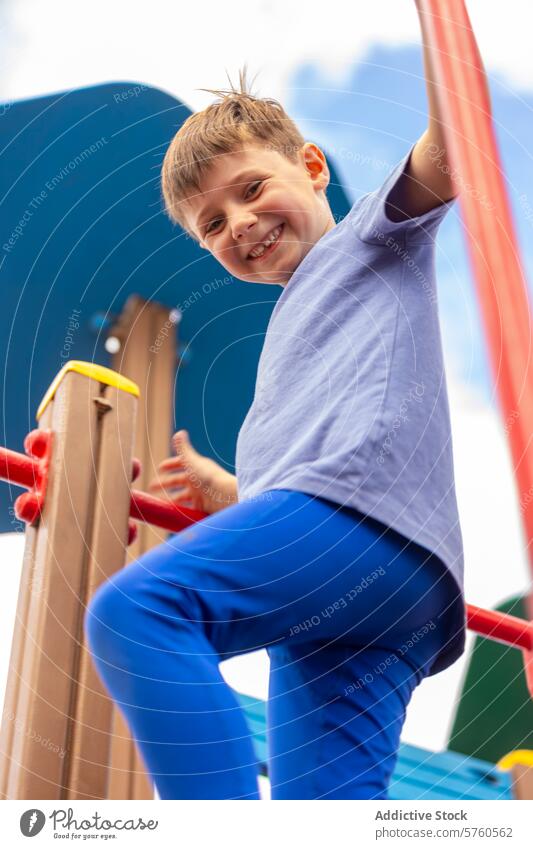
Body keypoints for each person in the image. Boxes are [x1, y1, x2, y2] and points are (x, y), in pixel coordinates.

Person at [85, 2, 489, 800]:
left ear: (309, 165)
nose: (239, 222)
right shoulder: (290, 341)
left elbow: (451, 151)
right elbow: (319, 464)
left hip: (361, 533)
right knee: (320, 808)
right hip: (370, 605)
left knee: (139, 611)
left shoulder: (369, 239)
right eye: (212, 223)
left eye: (250, 188)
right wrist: (230, 493)